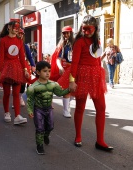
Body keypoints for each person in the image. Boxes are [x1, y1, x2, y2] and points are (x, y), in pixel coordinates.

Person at [69, 15, 113, 151]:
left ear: (95, 28)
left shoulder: (97, 41)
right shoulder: (79, 42)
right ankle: (78, 137)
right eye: (84, 28)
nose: (87, 31)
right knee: (80, 107)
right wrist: (72, 81)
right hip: (82, 76)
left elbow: (96, 58)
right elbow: (74, 63)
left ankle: (100, 141)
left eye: (90, 28)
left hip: (95, 77)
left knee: (101, 108)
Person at [27, 61, 70, 155]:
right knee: (39, 128)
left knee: (50, 126)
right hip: (38, 109)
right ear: (38, 72)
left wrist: (69, 89)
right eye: (45, 71)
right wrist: (30, 110)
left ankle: (46, 135)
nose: (47, 73)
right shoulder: (33, 87)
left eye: (49, 71)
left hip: (49, 109)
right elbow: (30, 100)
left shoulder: (53, 84)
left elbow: (60, 93)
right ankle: (39, 145)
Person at [0, 19, 29, 125]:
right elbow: (1, 58)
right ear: (9, 27)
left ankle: (17, 116)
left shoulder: (20, 40)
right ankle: (6, 113)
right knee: (6, 93)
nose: (16, 29)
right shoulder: (3, 40)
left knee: (16, 93)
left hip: (17, 68)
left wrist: (25, 69)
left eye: (18, 28)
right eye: (14, 27)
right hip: (6, 67)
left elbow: (22, 57)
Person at [50, 26, 74, 118]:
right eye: (64, 33)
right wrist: (60, 67)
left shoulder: (76, 43)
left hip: (76, 69)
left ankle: (67, 105)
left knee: (76, 91)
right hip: (66, 69)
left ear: (71, 33)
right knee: (66, 90)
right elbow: (57, 58)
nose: (66, 35)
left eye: (68, 33)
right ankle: (66, 110)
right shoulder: (62, 45)